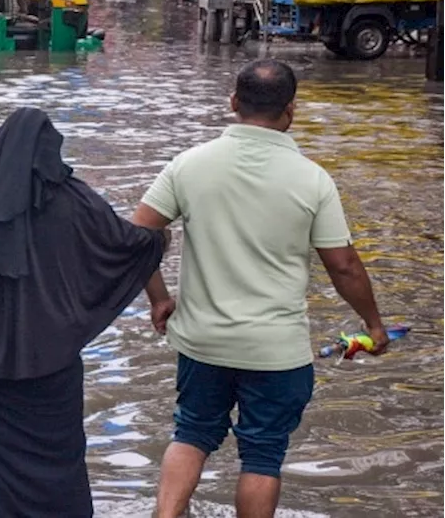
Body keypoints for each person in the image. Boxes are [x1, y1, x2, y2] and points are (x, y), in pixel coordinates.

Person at [132, 59, 389, 518]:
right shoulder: (312, 180)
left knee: (191, 434)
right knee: (263, 454)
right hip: (275, 351)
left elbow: (134, 241)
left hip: (203, 342)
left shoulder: (189, 165)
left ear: (233, 103)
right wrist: (373, 324)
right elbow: (344, 266)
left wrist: (160, 297)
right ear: (291, 110)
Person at [0, 108, 171, 517]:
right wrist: (160, 241)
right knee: (53, 469)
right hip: (50, 366)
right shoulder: (75, 200)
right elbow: (125, 246)